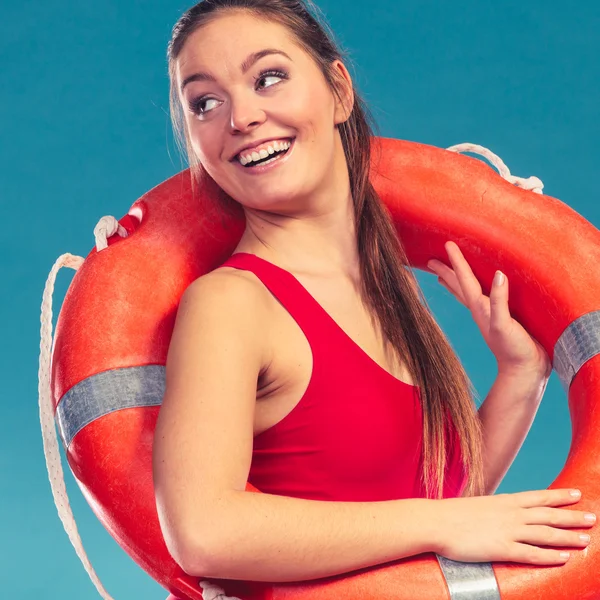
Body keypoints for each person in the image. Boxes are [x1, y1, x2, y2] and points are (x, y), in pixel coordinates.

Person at [152, 0, 595, 587]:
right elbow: (204, 532)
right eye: (205, 102)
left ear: (339, 91)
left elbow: (434, 505)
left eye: (269, 77)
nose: (242, 117)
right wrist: (438, 523)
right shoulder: (231, 303)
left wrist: (520, 374)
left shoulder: (388, 299)